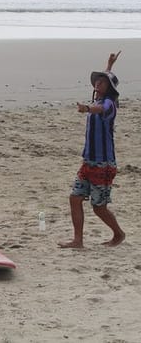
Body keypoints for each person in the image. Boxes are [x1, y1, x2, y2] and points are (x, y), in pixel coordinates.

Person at [59, 52, 125, 248]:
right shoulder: (99, 99)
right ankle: (78, 240)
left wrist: (87, 108)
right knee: (74, 198)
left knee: (99, 207)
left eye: (102, 83)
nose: (97, 84)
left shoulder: (109, 104)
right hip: (88, 162)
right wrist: (109, 64)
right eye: (96, 82)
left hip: (103, 164)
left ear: (109, 88)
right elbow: (104, 82)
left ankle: (119, 234)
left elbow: (100, 109)